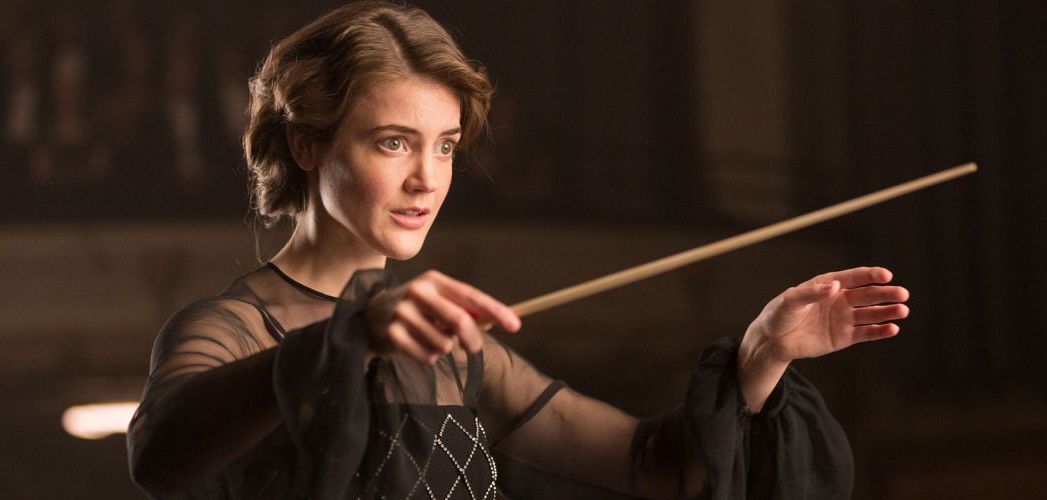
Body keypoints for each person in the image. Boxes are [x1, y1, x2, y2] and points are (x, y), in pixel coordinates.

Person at [126, 2, 911, 499]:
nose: (427, 178)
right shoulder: (229, 328)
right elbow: (160, 453)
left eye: (444, 145)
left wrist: (762, 355)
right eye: (393, 142)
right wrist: (345, 337)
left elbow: (654, 465)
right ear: (306, 144)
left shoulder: (455, 353)